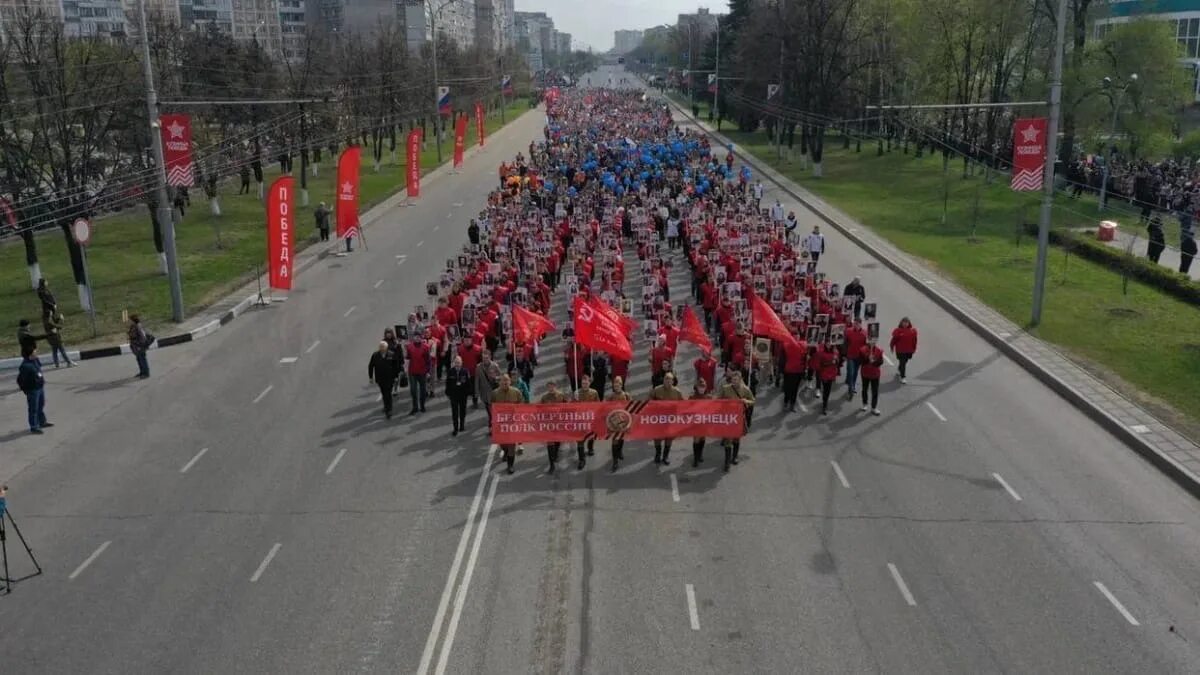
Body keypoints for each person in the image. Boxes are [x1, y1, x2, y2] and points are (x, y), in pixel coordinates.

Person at [717, 369, 754, 472]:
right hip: (728, 417)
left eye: (737, 380)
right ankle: (727, 462)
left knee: (736, 439)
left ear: (740, 379)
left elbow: (753, 401)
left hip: (738, 417)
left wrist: (746, 401)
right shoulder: (725, 388)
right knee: (727, 440)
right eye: (733, 379)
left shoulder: (745, 389)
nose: (735, 381)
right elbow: (718, 399)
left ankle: (735, 456)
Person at [491, 374, 525, 474]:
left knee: (511, 444)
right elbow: (492, 408)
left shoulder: (516, 392)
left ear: (510, 382)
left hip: (512, 423)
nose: (505, 383)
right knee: (503, 443)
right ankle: (505, 452)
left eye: (507, 381)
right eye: (503, 381)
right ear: (499, 382)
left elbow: (521, 404)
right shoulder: (495, 393)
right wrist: (492, 423)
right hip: (501, 423)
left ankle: (510, 465)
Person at [649, 371, 683, 465]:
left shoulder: (677, 392)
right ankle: (658, 454)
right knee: (657, 438)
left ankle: (665, 456)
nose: (667, 381)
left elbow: (683, 404)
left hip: (671, 419)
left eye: (670, 379)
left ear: (673, 381)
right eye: (666, 379)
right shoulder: (657, 389)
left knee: (669, 438)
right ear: (663, 380)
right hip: (659, 419)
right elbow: (649, 400)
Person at [17, 345, 52, 435]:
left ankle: (42, 422)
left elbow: (39, 370)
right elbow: (20, 380)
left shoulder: (35, 360)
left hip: (40, 387)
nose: (36, 352)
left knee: (41, 405)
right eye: (34, 352)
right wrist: (26, 390)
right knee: (33, 409)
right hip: (33, 390)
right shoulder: (25, 366)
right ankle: (34, 427)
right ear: (30, 354)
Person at [540, 380, 569, 474]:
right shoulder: (544, 398)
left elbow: (567, 406)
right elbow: (539, 409)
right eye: (549, 386)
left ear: (555, 386)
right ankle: (551, 464)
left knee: (557, 442)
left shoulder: (560, 395)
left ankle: (556, 453)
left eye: (552, 386)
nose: (551, 388)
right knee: (550, 444)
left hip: (559, 422)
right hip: (549, 424)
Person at [368, 341, 399, 419]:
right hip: (380, 379)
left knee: (388, 393)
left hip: (390, 378)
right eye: (381, 347)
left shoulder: (391, 355)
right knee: (384, 393)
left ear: (386, 347)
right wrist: (371, 377)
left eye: (383, 347)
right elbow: (371, 366)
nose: (382, 348)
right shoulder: (375, 355)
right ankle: (386, 406)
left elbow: (396, 366)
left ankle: (389, 410)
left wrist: (396, 376)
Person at [574, 374, 600, 469]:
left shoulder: (594, 392)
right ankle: (581, 460)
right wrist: (574, 400)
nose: (584, 385)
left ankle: (590, 448)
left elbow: (598, 405)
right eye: (582, 383)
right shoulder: (577, 393)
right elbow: (571, 407)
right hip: (580, 420)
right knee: (579, 440)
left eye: (586, 383)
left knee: (591, 436)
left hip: (590, 418)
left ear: (589, 383)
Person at [608, 376, 631, 471]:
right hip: (613, 422)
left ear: (621, 385)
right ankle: (615, 461)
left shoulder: (626, 395)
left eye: (618, 385)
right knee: (614, 441)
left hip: (623, 421)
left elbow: (631, 406)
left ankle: (620, 451)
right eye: (615, 385)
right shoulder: (611, 396)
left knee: (621, 438)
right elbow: (605, 407)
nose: (616, 387)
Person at [406, 333, 432, 413]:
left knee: (423, 390)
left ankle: (422, 405)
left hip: (422, 372)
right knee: (413, 391)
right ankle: (415, 407)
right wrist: (405, 369)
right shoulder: (409, 347)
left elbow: (428, 361)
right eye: (415, 337)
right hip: (412, 372)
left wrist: (428, 371)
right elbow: (407, 359)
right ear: (413, 338)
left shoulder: (426, 347)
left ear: (421, 338)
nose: (417, 338)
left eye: (419, 337)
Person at [446, 355, 471, 434]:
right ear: (454, 363)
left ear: (461, 363)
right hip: (454, 395)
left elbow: (468, 383)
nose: (457, 364)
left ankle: (462, 425)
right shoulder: (450, 371)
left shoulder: (465, 371)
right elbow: (448, 383)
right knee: (455, 412)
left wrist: (468, 393)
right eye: (456, 362)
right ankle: (455, 428)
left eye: (459, 362)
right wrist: (448, 393)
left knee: (462, 411)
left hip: (463, 395)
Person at [781, 335, 807, 412]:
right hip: (797, 370)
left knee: (788, 388)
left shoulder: (786, 344)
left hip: (789, 370)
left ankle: (787, 402)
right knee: (794, 389)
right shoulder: (803, 345)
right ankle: (791, 405)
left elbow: (782, 358)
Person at [843, 318, 868, 399]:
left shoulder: (865, 333)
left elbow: (866, 345)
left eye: (857, 324)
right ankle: (850, 388)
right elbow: (845, 343)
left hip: (859, 356)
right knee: (850, 372)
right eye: (855, 323)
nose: (856, 325)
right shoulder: (848, 331)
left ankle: (852, 384)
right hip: (850, 355)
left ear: (860, 324)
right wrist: (844, 354)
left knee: (855, 372)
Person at [859, 339, 885, 416]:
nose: (873, 342)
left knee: (875, 391)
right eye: (871, 341)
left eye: (874, 341)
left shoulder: (879, 350)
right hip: (865, 373)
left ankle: (874, 407)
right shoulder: (862, 350)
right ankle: (864, 404)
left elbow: (881, 362)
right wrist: (867, 359)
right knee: (864, 389)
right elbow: (860, 361)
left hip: (875, 374)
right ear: (868, 341)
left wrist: (874, 362)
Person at [889, 317, 918, 384]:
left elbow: (915, 341)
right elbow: (894, 340)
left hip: (909, 350)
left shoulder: (912, 331)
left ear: (909, 323)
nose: (905, 324)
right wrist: (891, 347)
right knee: (903, 362)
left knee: (905, 361)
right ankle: (903, 377)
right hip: (900, 350)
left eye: (906, 322)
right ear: (901, 323)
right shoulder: (898, 330)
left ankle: (900, 369)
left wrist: (914, 348)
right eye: (904, 322)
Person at [690, 379, 710, 467]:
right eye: (700, 387)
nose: (701, 389)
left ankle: (700, 453)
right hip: (695, 422)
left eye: (703, 387)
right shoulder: (692, 397)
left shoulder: (709, 397)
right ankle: (695, 458)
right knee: (696, 439)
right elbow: (686, 408)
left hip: (705, 421)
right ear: (696, 387)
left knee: (702, 439)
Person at [815, 341, 839, 415]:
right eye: (827, 344)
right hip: (824, 374)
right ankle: (824, 405)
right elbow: (821, 364)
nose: (828, 345)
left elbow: (837, 363)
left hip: (831, 374)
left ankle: (825, 403)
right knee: (825, 389)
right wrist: (831, 362)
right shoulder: (822, 353)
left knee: (828, 390)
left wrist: (836, 359)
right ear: (825, 344)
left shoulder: (835, 352)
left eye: (830, 344)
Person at [128, 314, 153, 379]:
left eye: (130, 320)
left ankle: (146, 373)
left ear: (133, 320)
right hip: (136, 346)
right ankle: (142, 372)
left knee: (142, 359)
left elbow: (143, 337)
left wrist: (140, 346)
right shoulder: (133, 326)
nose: (129, 321)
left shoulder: (138, 327)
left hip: (140, 347)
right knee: (139, 359)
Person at [476, 355, 500, 423]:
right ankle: (491, 419)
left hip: (494, 391)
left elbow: (500, 377)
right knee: (488, 408)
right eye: (484, 358)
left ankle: (492, 422)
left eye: (487, 358)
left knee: (494, 408)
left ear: (490, 358)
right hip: (485, 392)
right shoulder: (478, 367)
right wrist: (476, 392)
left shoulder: (495, 365)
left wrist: (495, 377)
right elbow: (477, 380)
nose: (485, 359)